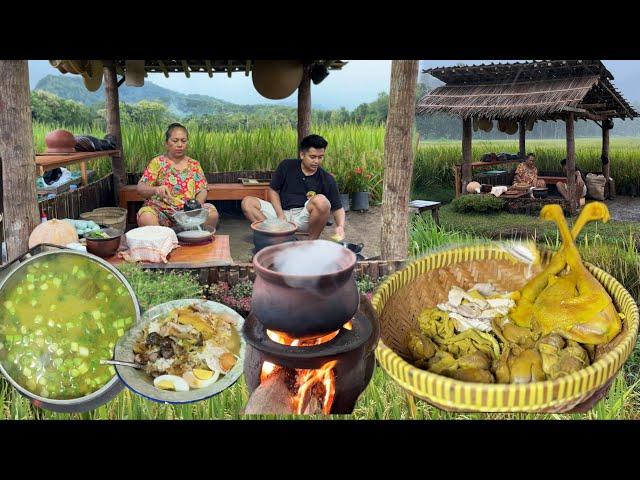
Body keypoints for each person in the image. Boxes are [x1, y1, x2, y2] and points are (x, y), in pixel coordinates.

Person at [241, 134, 346, 240]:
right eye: (312, 157)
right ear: (302, 155)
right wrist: (280, 215)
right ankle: (275, 236)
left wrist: (340, 226)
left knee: (322, 201)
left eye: (320, 157)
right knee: (247, 203)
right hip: (280, 213)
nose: (316, 161)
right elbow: (273, 190)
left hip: (303, 218)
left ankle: (311, 243)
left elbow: (338, 208)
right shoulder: (286, 166)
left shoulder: (327, 179)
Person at [136, 123, 218, 230]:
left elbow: (202, 190)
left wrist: (196, 206)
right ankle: (164, 241)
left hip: (188, 212)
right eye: (175, 141)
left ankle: (197, 241)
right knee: (146, 216)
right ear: (166, 143)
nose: (180, 145)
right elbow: (140, 188)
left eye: (183, 141)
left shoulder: (194, 164)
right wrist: (156, 189)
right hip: (162, 211)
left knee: (211, 213)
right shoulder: (157, 162)